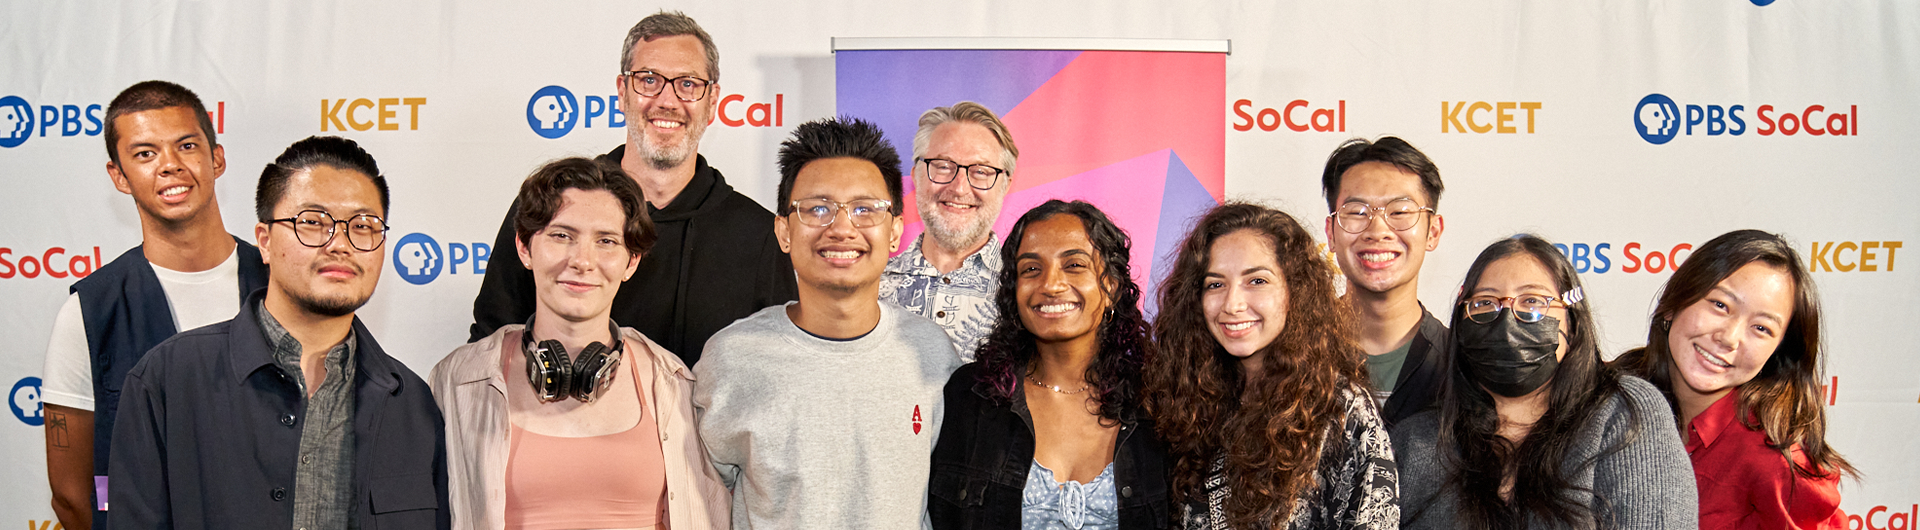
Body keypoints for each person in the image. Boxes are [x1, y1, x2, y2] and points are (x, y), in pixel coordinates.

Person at [109, 136, 448, 529]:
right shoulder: (170, 378)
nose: (341, 244)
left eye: (363, 226)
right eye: (313, 223)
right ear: (265, 242)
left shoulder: (411, 403)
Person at [470, 10, 795, 365]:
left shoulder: (760, 235)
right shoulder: (551, 206)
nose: (667, 101)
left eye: (688, 83)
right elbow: (491, 346)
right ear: (622, 91)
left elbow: (777, 372)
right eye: (649, 80)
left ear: (712, 101)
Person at [432, 157, 729, 530]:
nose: (583, 261)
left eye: (606, 241)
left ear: (631, 261)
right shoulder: (459, 380)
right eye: (562, 236)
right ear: (525, 247)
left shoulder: (672, 382)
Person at [693, 117, 961, 529]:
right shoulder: (732, 358)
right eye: (817, 209)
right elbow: (701, 500)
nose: (841, 228)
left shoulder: (931, 354)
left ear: (895, 233)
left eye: (864, 209)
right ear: (783, 231)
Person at [40, 80, 268, 530]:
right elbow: (71, 495)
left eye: (186, 145)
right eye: (145, 154)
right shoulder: (90, 311)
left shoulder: (281, 284)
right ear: (119, 176)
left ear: (216, 158)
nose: (170, 166)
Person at [1392, 234, 1694, 530]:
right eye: (1485, 302)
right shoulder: (1415, 441)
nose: (1508, 319)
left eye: (1533, 301)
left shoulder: (1624, 411)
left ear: (1573, 324)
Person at [1144, 202, 1398, 529]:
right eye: (1215, 284)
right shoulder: (1188, 407)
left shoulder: (1340, 411)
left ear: (1295, 290)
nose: (1232, 304)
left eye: (1257, 281)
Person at [928, 200, 1169, 529]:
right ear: (1014, 291)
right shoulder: (970, 398)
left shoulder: (1160, 402)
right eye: (1031, 269)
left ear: (1111, 285)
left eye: (1074, 265)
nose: (1051, 284)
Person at [1612, 230, 1854, 529]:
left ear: (1778, 351)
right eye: (1720, 306)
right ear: (1674, 303)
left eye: (1762, 328)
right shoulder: (1614, 392)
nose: (1729, 338)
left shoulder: (1776, 458)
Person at [1320, 136, 1448, 426]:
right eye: (1357, 213)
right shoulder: (1292, 357)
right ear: (1330, 233)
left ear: (1433, 232)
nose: (1377, 230)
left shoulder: (1461, 365)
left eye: (1400, 212)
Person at [882, 101, 1018, 360]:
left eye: (981, 171)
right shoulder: (868, 288)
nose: (959, 188)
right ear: (915, 176)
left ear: (1005, 184)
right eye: (943, 166)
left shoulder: (1026, 292)